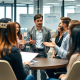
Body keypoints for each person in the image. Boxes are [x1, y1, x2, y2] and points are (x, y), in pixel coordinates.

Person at [26, 14, 51, 80]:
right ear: (34, 21)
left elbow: (49, 42)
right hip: (33, 52)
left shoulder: (47, 30)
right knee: (34, 71)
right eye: (38, 21)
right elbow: (26, 42)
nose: (40, 22)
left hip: (43, 52)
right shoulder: (30, 30)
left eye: (41, 20)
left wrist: (47, 50)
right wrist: (29, 42)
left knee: (43, 71)